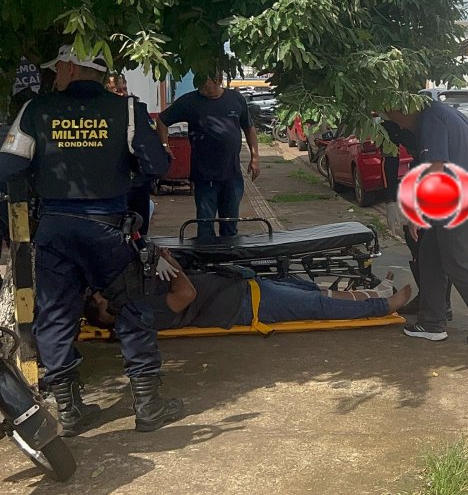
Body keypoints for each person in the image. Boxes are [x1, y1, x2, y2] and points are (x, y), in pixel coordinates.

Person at [0, 44, 184, 435]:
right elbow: (157, 164)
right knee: (132, 310)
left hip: (55, 228)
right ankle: (148, 406)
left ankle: (69, 412)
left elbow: (10, 165)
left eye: (58, 68)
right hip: (108, 228)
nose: (55, 76)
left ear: (69, 67)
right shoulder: (127, 110)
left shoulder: (36, 110)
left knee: (55, 314)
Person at [383, 97, 468, 345]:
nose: (400, 126)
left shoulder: (432, 119)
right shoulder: (443, 113)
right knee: (430, 257)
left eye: (397, 119)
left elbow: (435, 170)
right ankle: (432, 323)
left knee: (457, 264)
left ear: (406, 109)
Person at [83, 250, 414, 331]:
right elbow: (185, 295)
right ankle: (382, 307)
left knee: (314, 291)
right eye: (103, 301)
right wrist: (171, 265)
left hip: (244, 287)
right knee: (316, 303)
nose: (109, 296)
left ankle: (376, 295)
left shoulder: (135, 302)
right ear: (107, 315)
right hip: (247, 304)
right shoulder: (142, 314)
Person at [156, 69, 260, 238]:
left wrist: (255, 158)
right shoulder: (190, 101)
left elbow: (249, 128)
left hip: (232, 175)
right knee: (205, 226)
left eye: (205, 80)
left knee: (230, 226)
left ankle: (228, 260)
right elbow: (162, 119)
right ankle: (207, 262)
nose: (200, 85)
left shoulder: (235, 99)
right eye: (198, 80)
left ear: (218, 80)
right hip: (204, 177)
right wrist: (164, 144)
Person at [381, 118, 451, 320]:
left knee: (439, 247)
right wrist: (390, 200)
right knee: (416, 243)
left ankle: (441, 304)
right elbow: (389, 160)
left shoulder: (430, 121)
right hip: (419, 176)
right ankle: (428, 299)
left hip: (442, 180)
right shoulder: (389, 125)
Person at [107, 72, 155, 237]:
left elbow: (151, 137)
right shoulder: (102, 115)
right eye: (116, 90)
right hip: (113, 184)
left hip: (139, 182)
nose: (122, 93)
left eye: (124, 88)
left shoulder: (137, 110)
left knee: (140, 233)